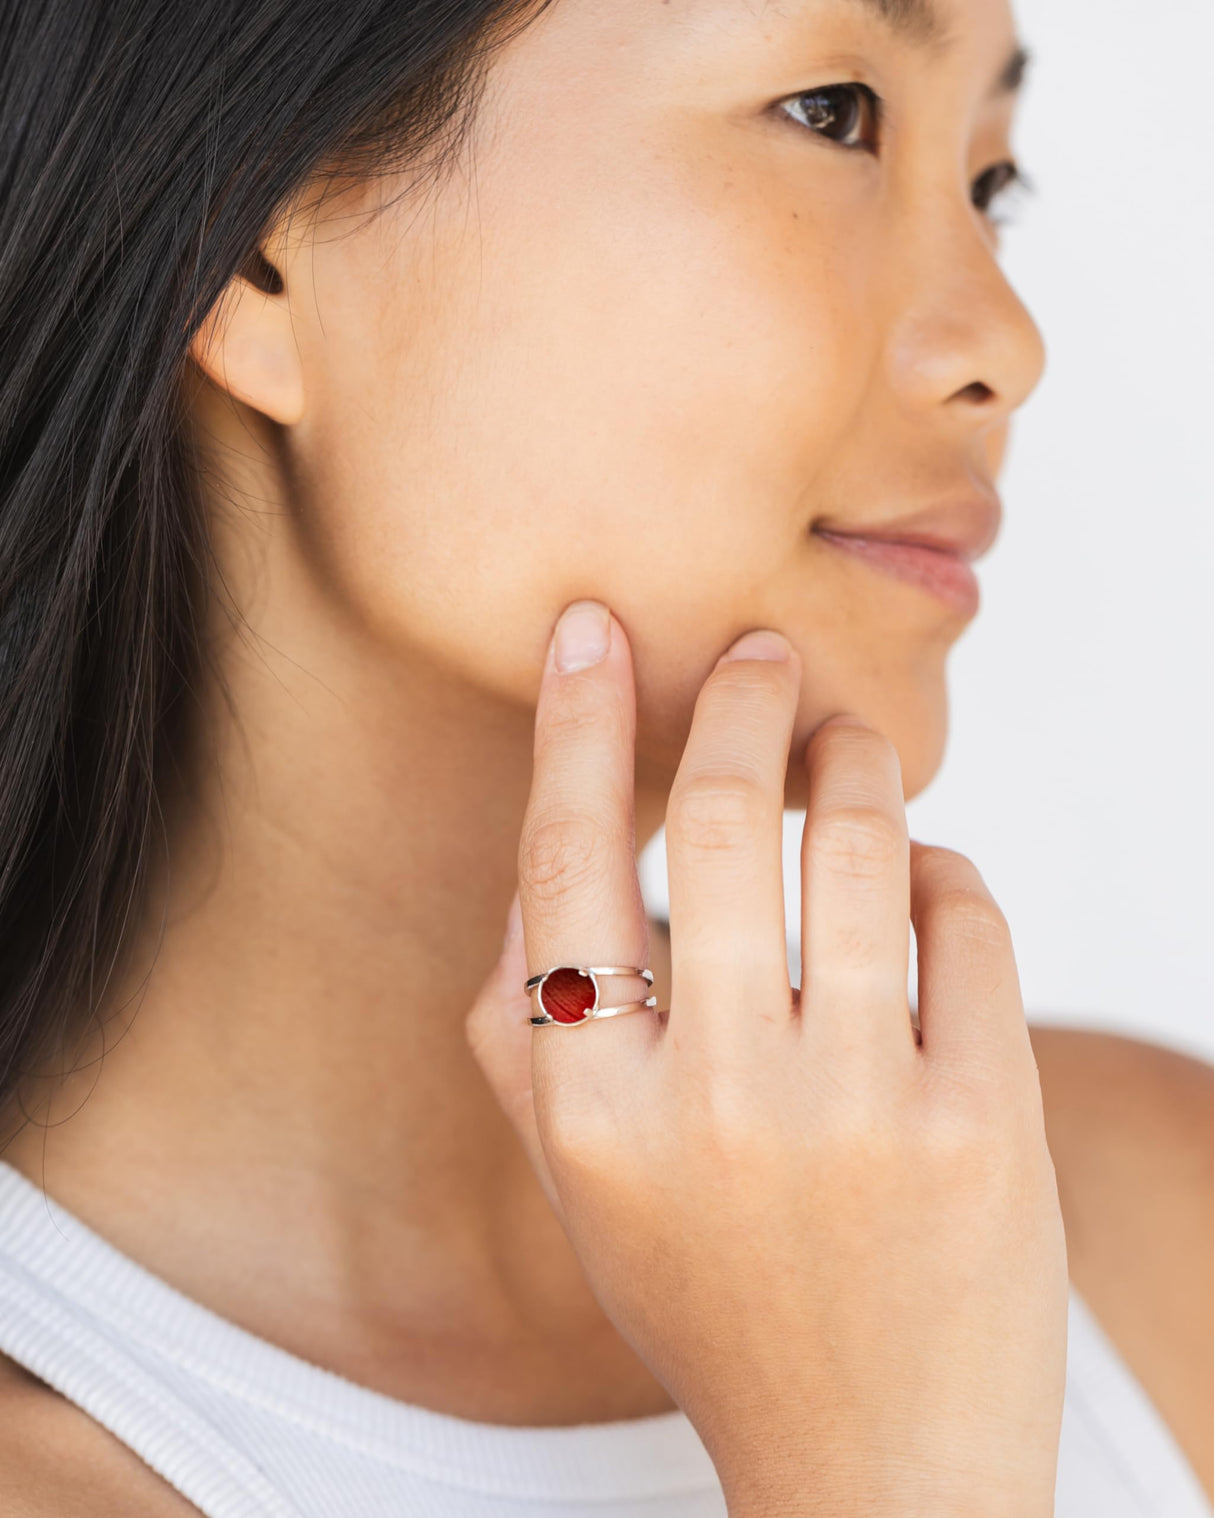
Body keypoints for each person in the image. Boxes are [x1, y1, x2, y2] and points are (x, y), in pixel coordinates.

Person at [0, 0, 1210, 1512]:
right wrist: (887, 1466)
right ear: (258, 241)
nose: (1002, 347)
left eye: (989, 185)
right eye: (832, 112)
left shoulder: (1155, 1225)